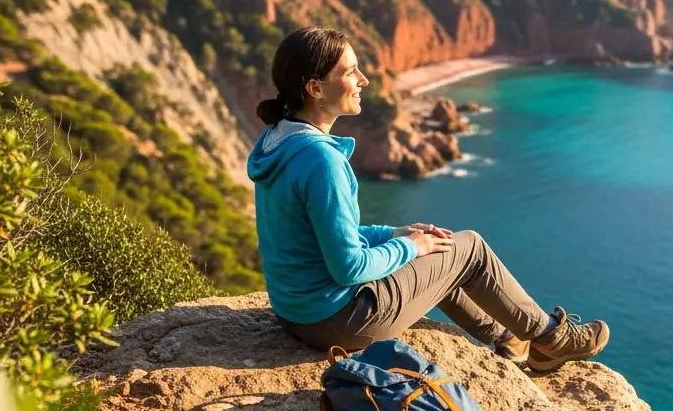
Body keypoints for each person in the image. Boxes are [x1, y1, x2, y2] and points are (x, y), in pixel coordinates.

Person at [247, 27, 610, 371]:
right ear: (315, 88)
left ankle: (508, 338)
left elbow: (320, 235)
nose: (364, 81)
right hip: (338, 322)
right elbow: (349, 268)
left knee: (439, 251)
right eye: (351, 72)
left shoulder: (277, 142)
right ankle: (552, 338)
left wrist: (397, 233)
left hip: (295, 313)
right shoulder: (321, 160)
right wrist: (411, 248)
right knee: (470, 249)